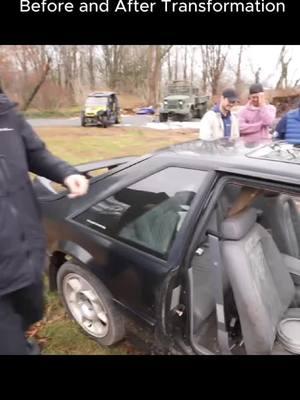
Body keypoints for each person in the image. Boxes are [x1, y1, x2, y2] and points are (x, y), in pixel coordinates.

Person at [0, 89, 89, 355]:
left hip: (26, 250)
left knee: (30, 311)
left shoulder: (7, 115)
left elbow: (35, 153)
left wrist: (65, 173)